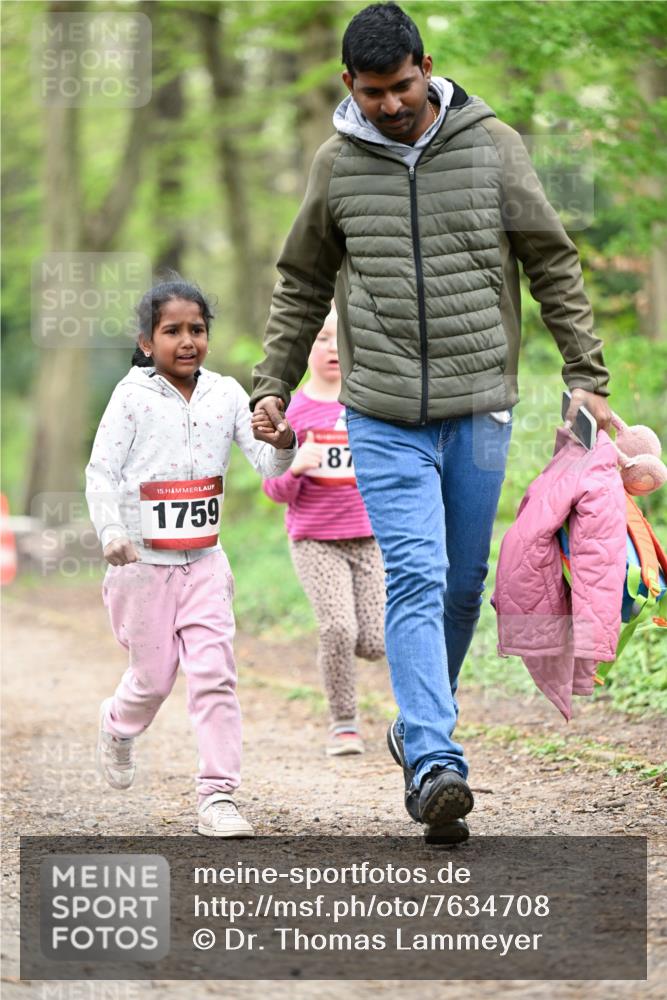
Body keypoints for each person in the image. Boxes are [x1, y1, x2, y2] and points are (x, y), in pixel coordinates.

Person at [249, 2, 614, 844]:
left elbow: (549, 259)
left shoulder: (492, 146)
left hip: (478, 402)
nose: (388, 104)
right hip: (378, 412)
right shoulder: (335, 165)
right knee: (413, 575)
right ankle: (435, 763)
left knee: (458, 583)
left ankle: (416, 727)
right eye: (371, 92)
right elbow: (301, 280)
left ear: (425, 67)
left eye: (401, 86)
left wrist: (586, 374)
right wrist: (273, 381)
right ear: (349, 85)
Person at [85, 277, 296, 838]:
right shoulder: (130, 398)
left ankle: (217, 796)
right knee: (152, 682)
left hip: (204, 564)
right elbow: (100, 472)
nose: (186, 341)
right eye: (171, 330)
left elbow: (267, 466)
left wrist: (283, 443)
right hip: (140, 567)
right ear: (147, 342)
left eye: (197, 330)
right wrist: (110, 530)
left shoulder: (226, 394)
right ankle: (116, 724)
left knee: (214, 675)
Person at [260, 306, 385, 756]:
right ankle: (343, 721)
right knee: (337, 629)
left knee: (373, 641)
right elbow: (273, 489)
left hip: (370, 538)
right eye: (321, 339)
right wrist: (297, 465)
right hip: (314, 540)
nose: (332, 348)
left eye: (339, 338)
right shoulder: (291, 410)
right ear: (304, 348)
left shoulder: (367, 402)